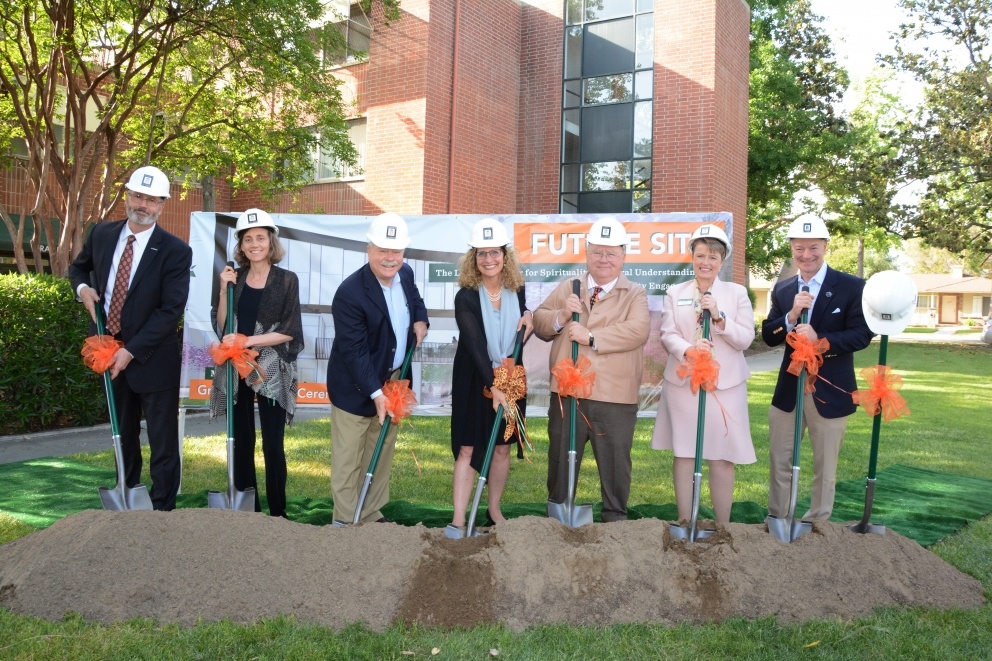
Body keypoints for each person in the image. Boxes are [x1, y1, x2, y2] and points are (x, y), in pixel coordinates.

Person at [68, 165, 192, 511]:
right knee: (122, 433)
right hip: (107, 351)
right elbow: (79, 267)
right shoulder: (102, 234)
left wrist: (132, 352)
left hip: (153, 358)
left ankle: (163, 507)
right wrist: (82, 289)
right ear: (127, 197)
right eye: (138, 196)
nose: (143, 204)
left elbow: (170, 310)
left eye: (152, 200)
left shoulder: (175, 251)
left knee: (162, 439)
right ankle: (127, 491)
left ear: (162, 205)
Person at [533, 218, 650, 522]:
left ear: (623, 256)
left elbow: (638, 330)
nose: (604, 260)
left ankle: (615, 519)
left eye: (611, 253)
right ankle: (558, 515)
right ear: (586, 253)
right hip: (568, 391)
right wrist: (560, 315)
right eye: (598, 252)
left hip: (614, 395)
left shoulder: (635, 293)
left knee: (615, 464)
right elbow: (540, 322)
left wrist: (593, 337)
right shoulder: (569, 287)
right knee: (560, 458)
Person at [762, 214, 874, 521]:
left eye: (813, 247)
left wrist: (820, 340)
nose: (806, 255)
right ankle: (779, 519)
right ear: (791, 249)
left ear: (825, 246)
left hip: (830, 389)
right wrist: (791, 316)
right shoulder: (783, 290)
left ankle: (817, 523)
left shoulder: (852, 287)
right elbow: (768, 335)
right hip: (789, 390)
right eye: (799, 248)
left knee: (825, 465)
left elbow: (862, 334)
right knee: (780, 458)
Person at [327, 212, 429, 525]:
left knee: (381, 449)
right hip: (356, 386)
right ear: (369, 249)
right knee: (349, 458)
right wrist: (375, 393)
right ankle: (345, 521)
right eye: (382, 250)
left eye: (396, 251)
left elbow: (415, 299)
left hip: (393, 379)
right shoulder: (350, 294)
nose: (389, 258)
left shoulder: (406, 273)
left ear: (404, 253)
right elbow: (354, 352)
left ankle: (370, 514)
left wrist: (420, 319)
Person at [650, 224, 756, 525]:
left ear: (721, 261)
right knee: (684, 454)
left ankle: (723, 525)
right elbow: (668, 333)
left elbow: (745, 338)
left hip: (725, 387)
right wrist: (688, 350)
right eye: (700, 255)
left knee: (721, 456)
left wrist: (720, 318)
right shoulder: (675, 292)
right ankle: (686, 521)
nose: (705, 262)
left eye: (712, 256)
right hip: (685, 385)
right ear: (691, 257)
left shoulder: (736, 293)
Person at [209, 208, 303, 518]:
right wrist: (224, 289)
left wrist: (248, 341)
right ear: (241, 245)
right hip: (236, 368)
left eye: (260, 238)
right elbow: (223, 327)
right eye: (248, 239)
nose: (254, 244)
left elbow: (288, 331)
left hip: (271, 370)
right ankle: (249, 510)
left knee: (273, 445)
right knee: (241, 442)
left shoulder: (287, 280)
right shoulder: (234, 279)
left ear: (270, 241)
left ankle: (278, 512)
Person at [446, 218, 533, 538]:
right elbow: (476, 346)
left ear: (505, 256)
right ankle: (458, 519)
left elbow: (519, 333)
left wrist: (529, 321)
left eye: (494, 252)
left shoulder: (517, 289)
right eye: (481, 254)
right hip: (474, 379)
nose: (489, 260)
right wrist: (493, 387)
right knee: (468, 447)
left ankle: (494, 510)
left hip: (510, 377)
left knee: (501, 446)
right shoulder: (465, 297)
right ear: (473, 259)